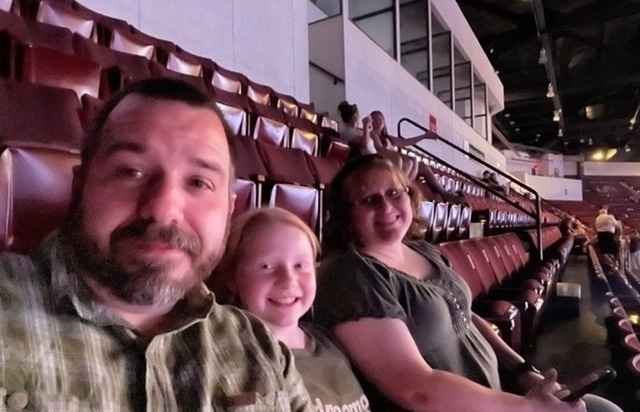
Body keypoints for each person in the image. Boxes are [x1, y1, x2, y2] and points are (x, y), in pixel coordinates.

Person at [0, 78, 311, 410]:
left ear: (229, 210)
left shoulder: (261, 349)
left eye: (198, 182)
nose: (163, 209)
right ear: (79, 187)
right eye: (131, 172)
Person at [314, 154, 623, 412]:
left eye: (395, 193)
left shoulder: (423, 250)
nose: (387, 207)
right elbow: (416, 390)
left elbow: (465, 316)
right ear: (344, 215)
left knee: (602, 408)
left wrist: (522, 372)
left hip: (497, 396)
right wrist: (528, 408)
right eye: (369, 200)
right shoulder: (350, 275)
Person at [210, 207, 369, 411]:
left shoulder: (331, 342)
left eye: (300, 265)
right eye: (267, 266)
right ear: (233, 278)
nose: (288, 280)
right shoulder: (228, 359)